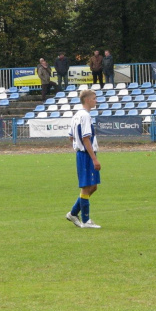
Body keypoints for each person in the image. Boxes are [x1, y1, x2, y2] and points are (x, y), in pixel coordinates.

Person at [65, 89, 102, 229]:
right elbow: (86, 138)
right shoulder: (85, 116)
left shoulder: (76, 115)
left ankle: (73, 213)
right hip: (86, 154)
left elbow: (70, 136)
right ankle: (86, 221)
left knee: (93, 186)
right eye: (94, 98)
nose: (96, 100)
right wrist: (94, 158)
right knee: (87, 187)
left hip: (82, 153)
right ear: (87, 100)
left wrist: (76, 146)